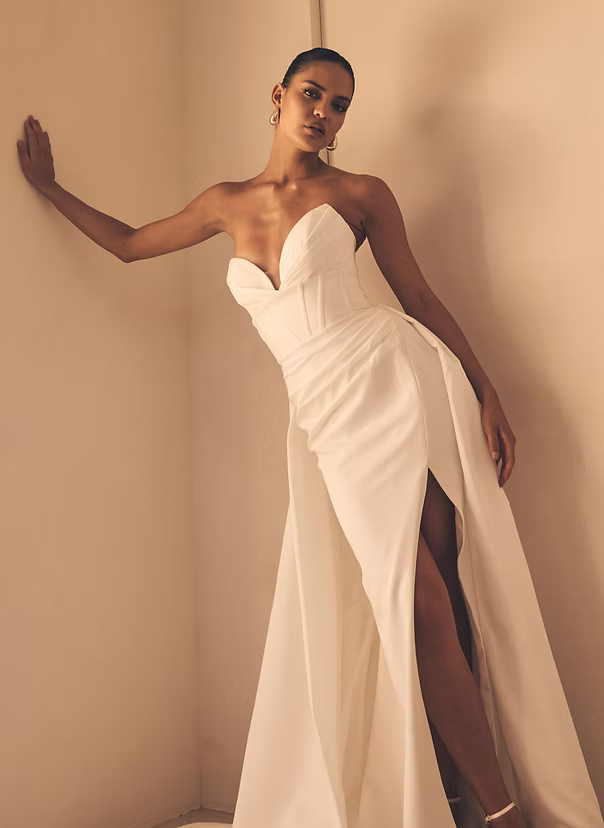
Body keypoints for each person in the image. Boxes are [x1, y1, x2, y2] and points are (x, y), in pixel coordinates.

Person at [17, 47, 603, 828]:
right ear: (279, 95)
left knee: (438, 595)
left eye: (339, 105)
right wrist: (49, 188)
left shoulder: (361, 193)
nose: (323, 113)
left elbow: (419, 295)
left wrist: (486, 389)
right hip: (327, 418)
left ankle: (496, 810)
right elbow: (128, 244)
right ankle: (468, 797)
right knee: (411, 599)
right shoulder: (224, 201)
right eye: (312, 94)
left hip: (397, 384)